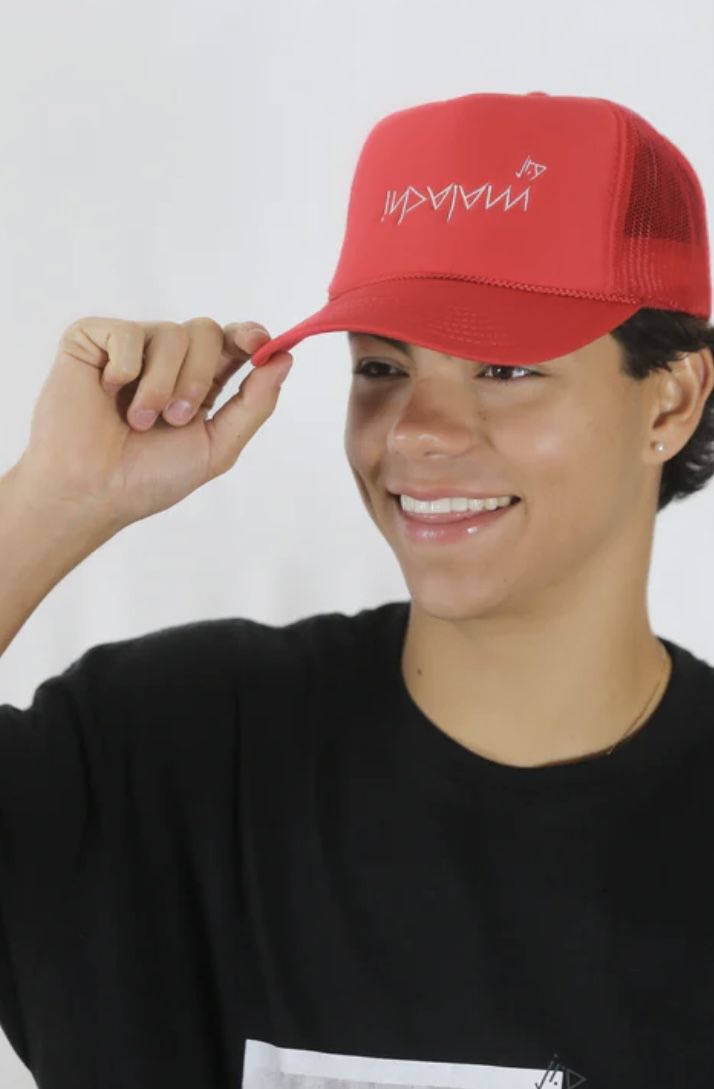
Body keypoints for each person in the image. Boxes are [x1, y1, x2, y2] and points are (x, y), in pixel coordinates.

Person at [1, 90, 714, 1089]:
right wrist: (46, 504)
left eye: (505, 366)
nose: (417, 430)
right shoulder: (166, 753)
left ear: (671, 400)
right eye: (382, 363)